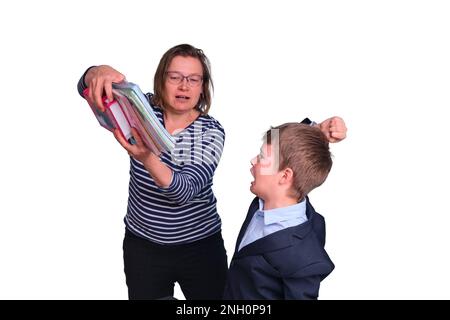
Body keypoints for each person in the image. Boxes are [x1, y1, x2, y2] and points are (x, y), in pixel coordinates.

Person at [77, 44, 347, 300]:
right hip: (142, 245)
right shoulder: (142, 109)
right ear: (161, 80)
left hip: (199, 247)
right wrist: (94, 72)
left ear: (203, 87)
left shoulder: (210, 132)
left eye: (194, 79)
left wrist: (313, 135)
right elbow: (88, 88)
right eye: (175, 77)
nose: (184, 86)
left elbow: (184, 191)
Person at [223, 122, 335, 300]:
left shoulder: (304, 255)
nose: (253, 161)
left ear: (284, 176)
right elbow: (286, 144)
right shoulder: (266, 200)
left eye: (261, 157)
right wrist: (317, 129)